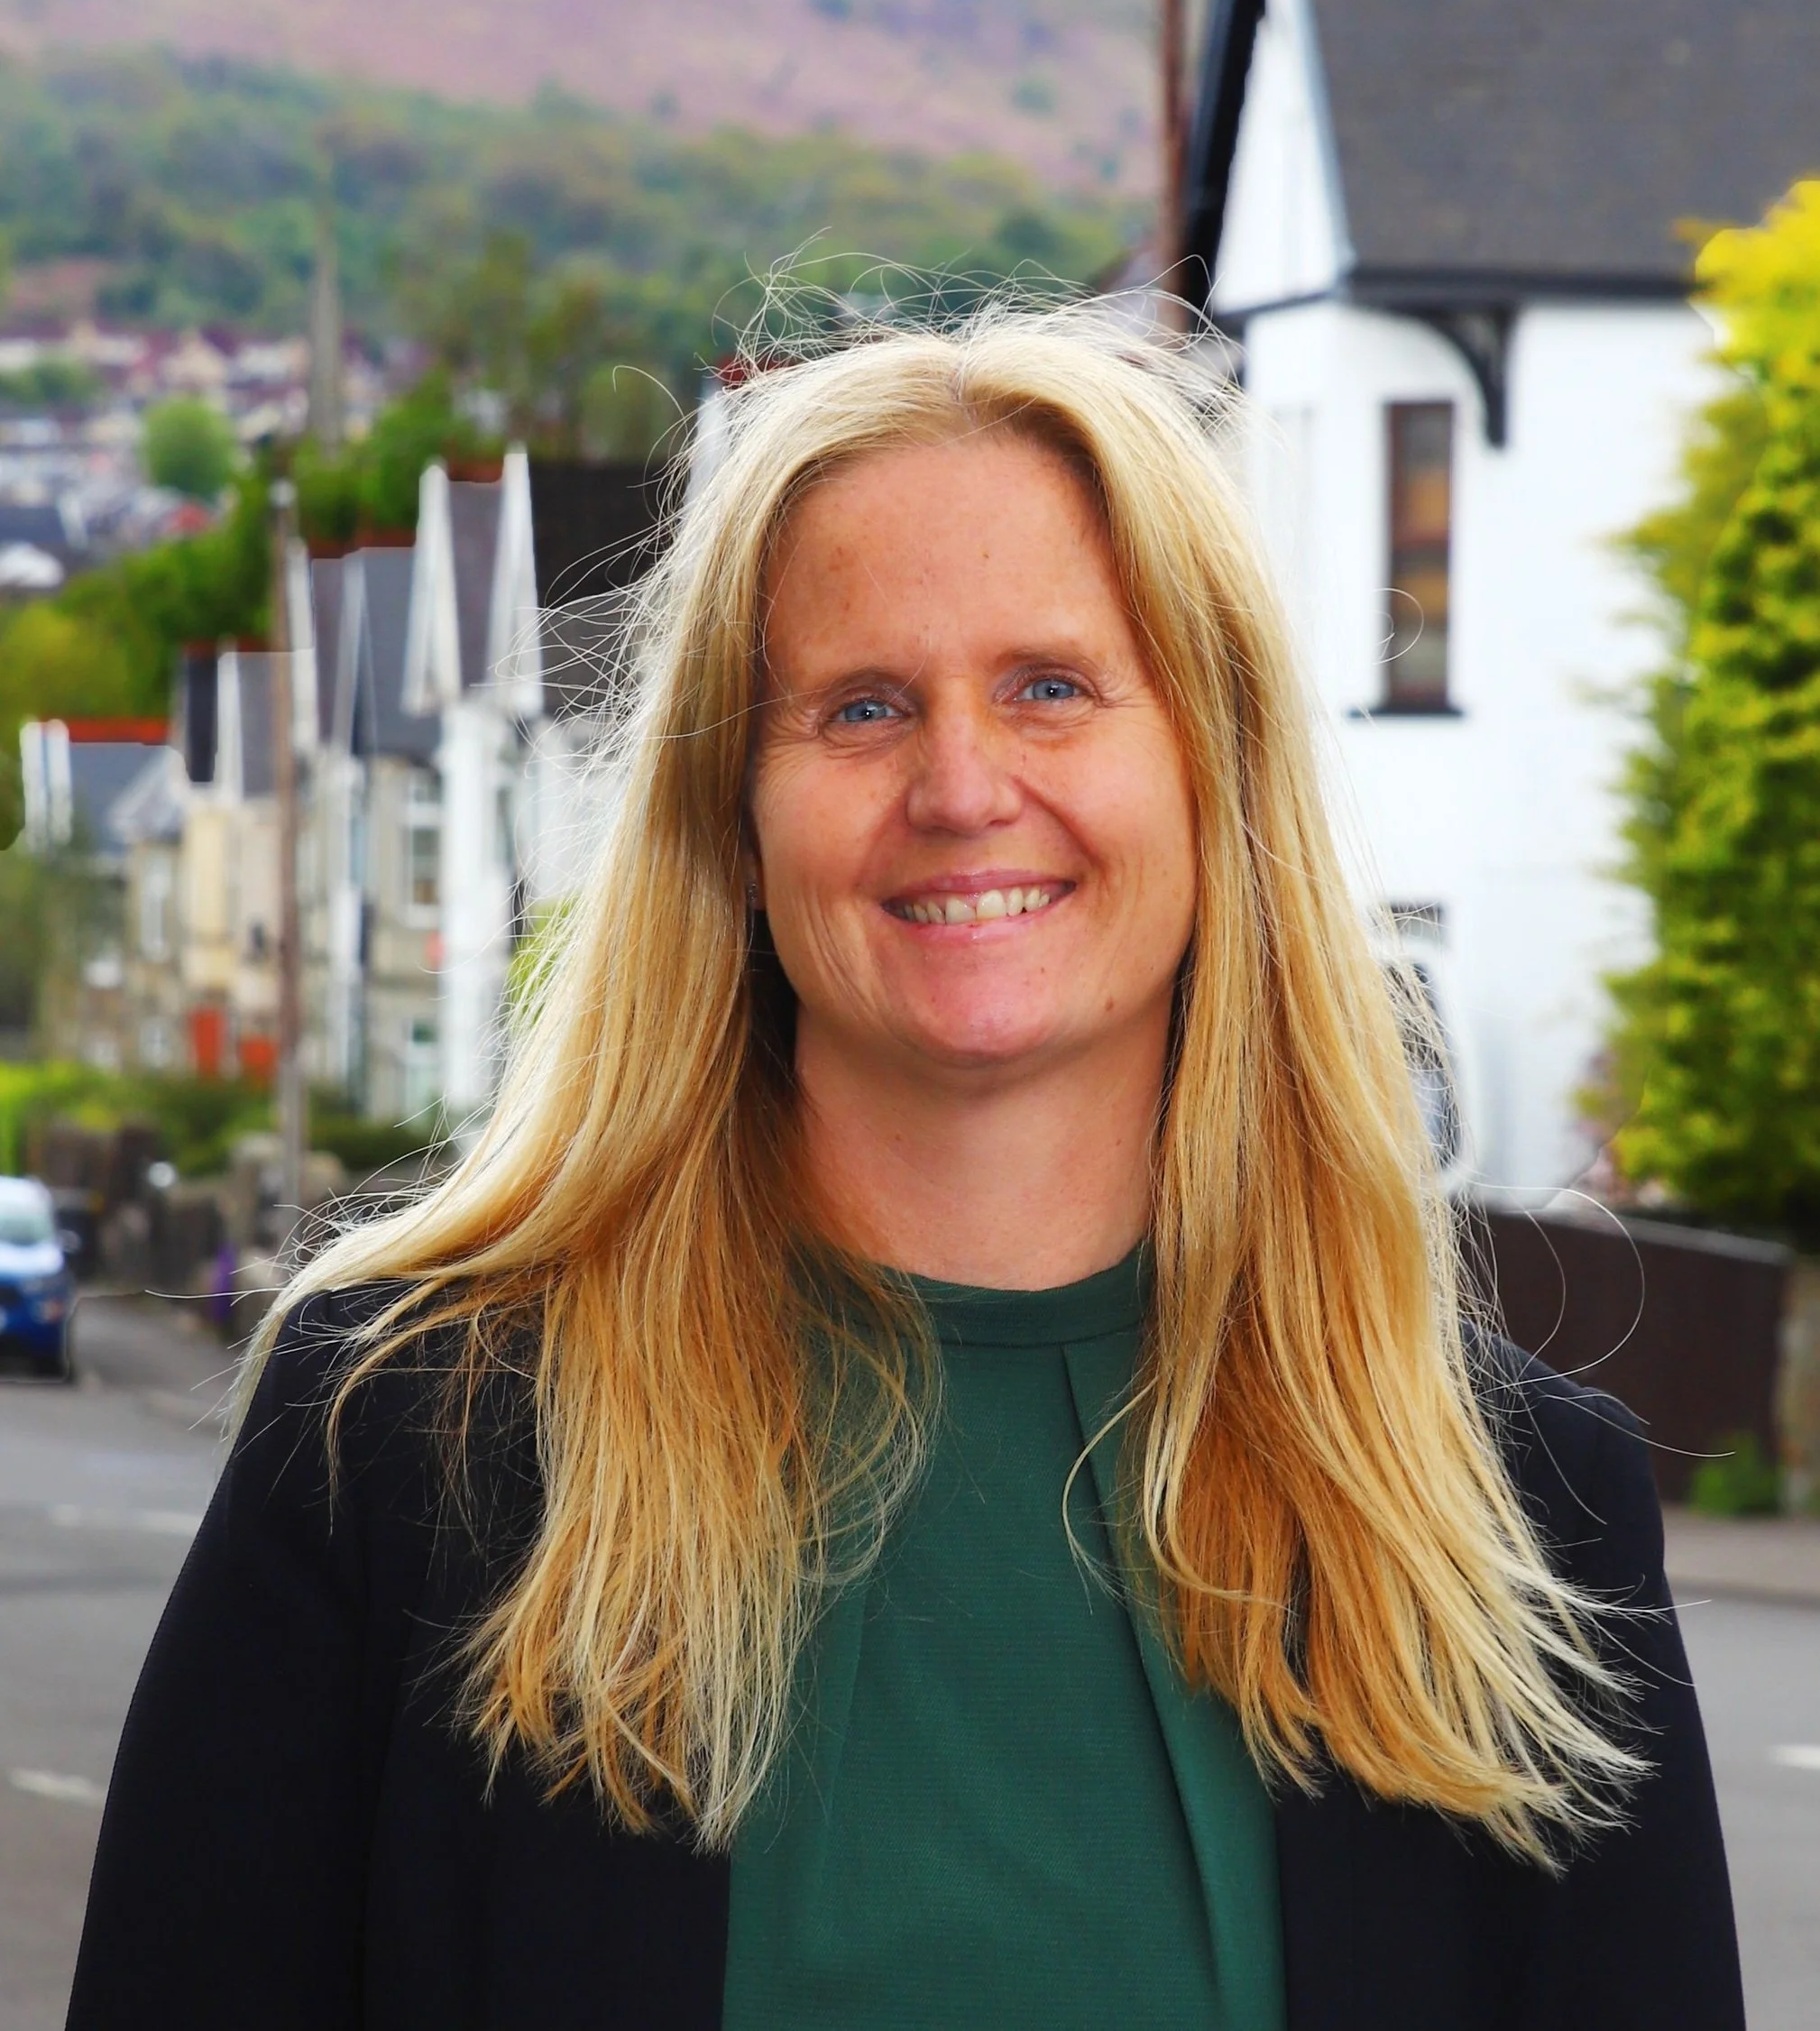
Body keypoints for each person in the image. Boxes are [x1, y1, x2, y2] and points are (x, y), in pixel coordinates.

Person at [69, 310, 1742, 2031]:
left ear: (1216, 765)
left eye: (1050, 688)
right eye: (860, 706)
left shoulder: (1521, 1511)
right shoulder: (403, 1446)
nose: (959, 786)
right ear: (733, 816)